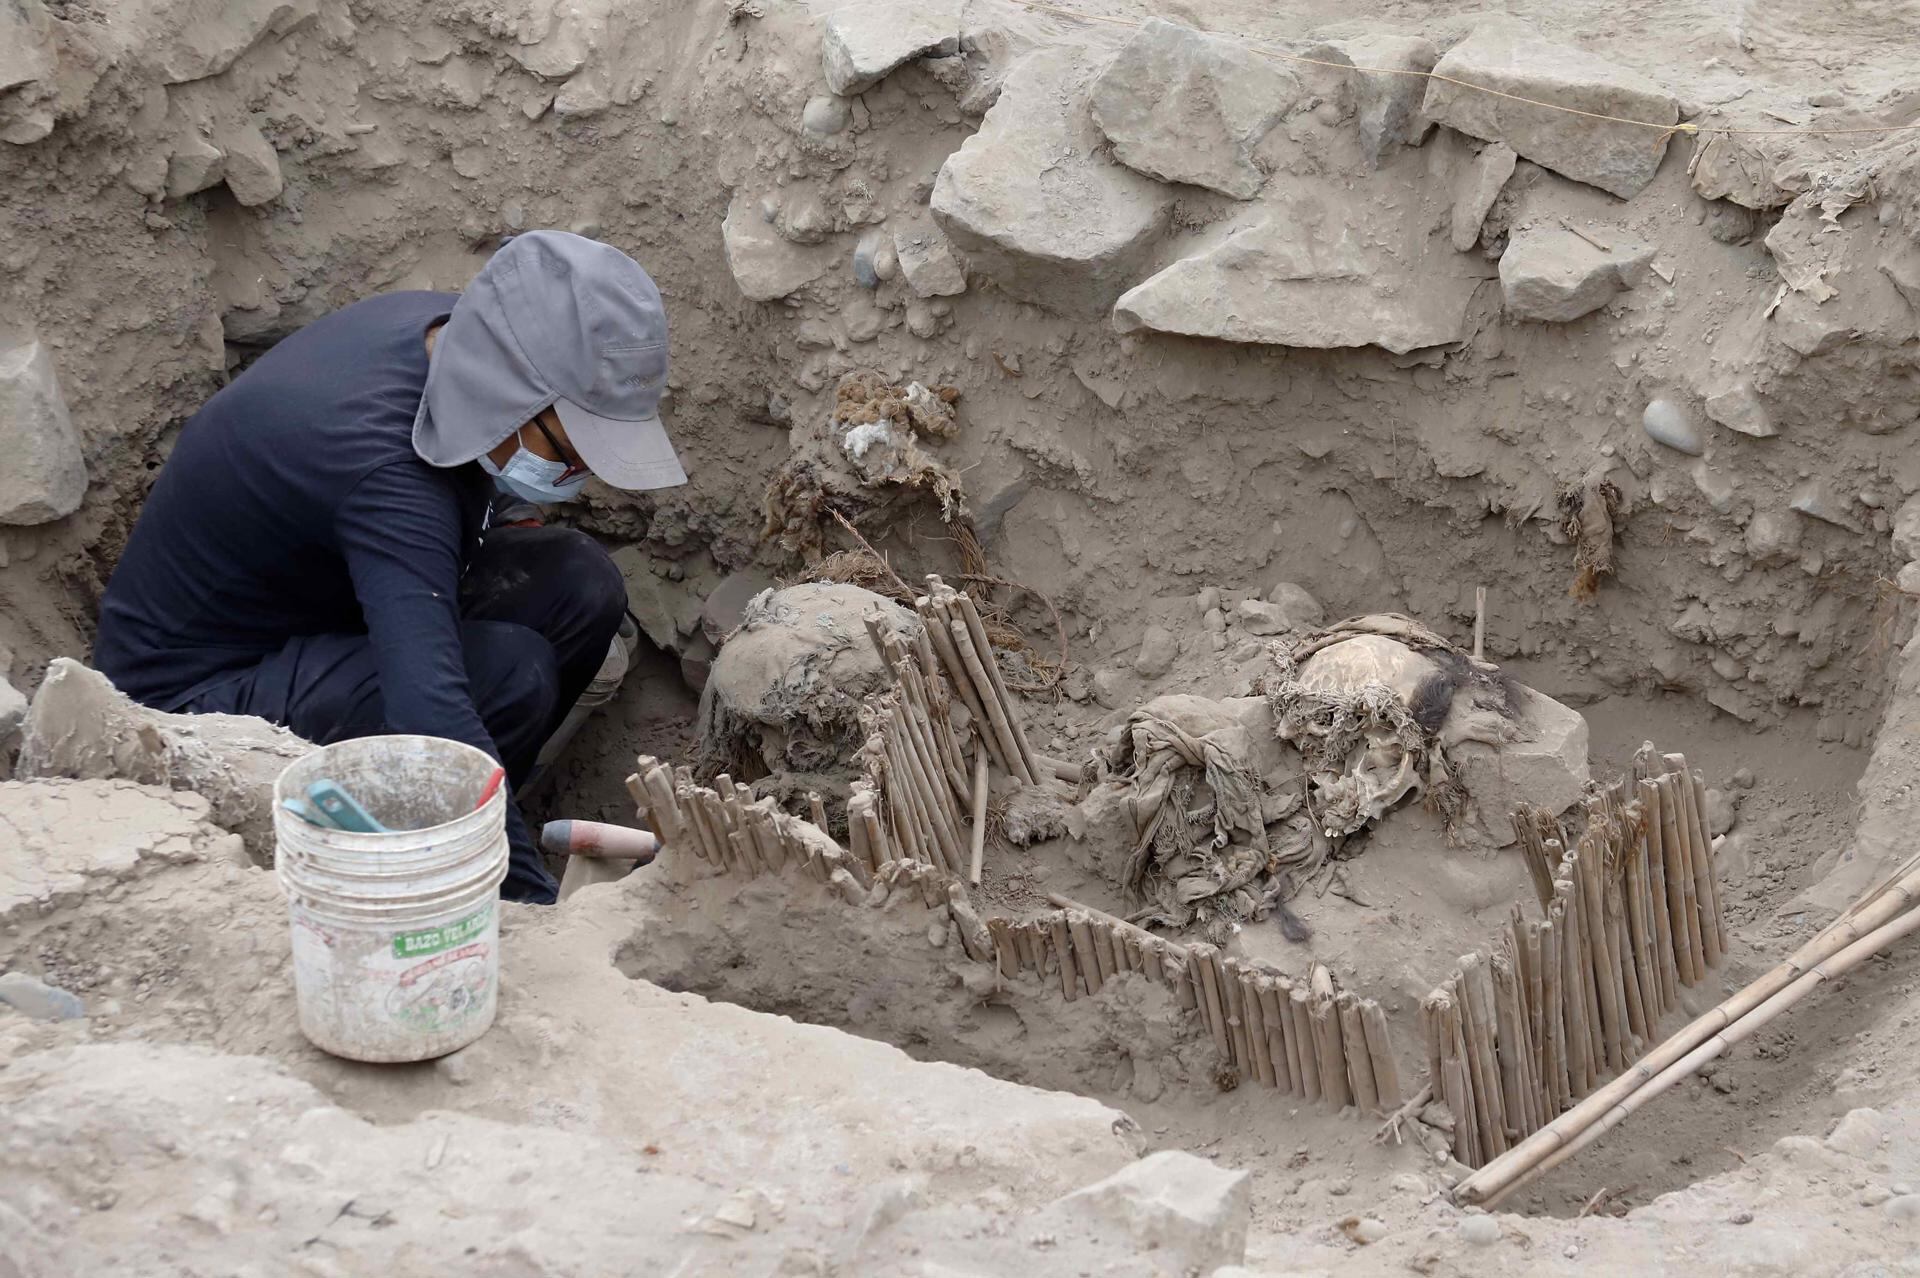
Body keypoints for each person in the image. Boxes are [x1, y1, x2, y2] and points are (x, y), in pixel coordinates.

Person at [94, 231, 685, 903]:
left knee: (580, 583)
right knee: (510, 675)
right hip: (186, 703)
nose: (579, 474)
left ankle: (481, 819)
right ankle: (464, 876)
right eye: (570, 451)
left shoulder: (459, 337)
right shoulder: (385, 474)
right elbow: (431, 710)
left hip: (316, 608)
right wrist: (535, 912)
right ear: (510, 394)